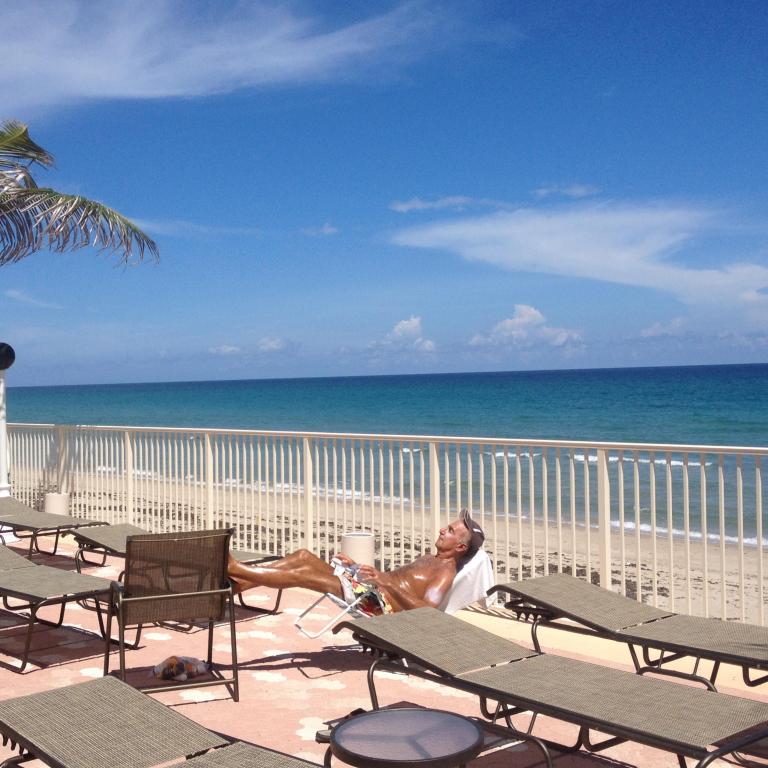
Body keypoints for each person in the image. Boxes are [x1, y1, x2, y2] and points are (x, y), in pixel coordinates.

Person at [227, 509, 485, 613]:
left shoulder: (444, 573)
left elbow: (426, 613)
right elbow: (394, 579)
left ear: (461, 547)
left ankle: (235, 569)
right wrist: (355, 567)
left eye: (450, 531)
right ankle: (237, 585)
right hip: (368, 587)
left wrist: (386, 583)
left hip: (377, 604)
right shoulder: (430, 558)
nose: (442, 530)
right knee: (304, 556)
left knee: (303, 575)